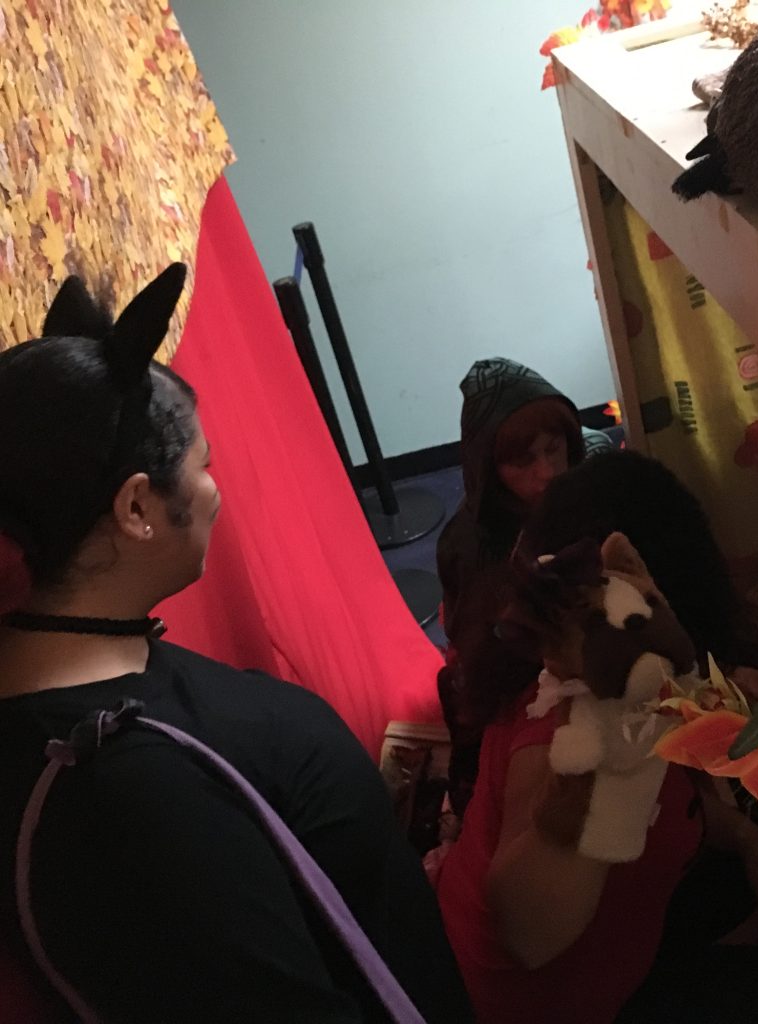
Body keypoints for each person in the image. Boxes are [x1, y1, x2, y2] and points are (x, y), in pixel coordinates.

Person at [0, 267, 472, 1023]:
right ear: (137, 507)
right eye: (201, 466)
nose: (215, 489)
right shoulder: (127, 810)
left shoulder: (95, 664)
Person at [435, 454, 758, 1024]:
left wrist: (747, 837)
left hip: (591, 958)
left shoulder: (599, 681)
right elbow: (528, 932)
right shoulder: (565, 724)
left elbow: (670, 783)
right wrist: (619, 743)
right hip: (536, 1005)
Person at [436, 357, 611, 815]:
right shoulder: (472, 546)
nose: (547, 472)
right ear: (492, 470)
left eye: (554, 449)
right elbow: (480, 670)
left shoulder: (598, 477)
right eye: (523, 461)